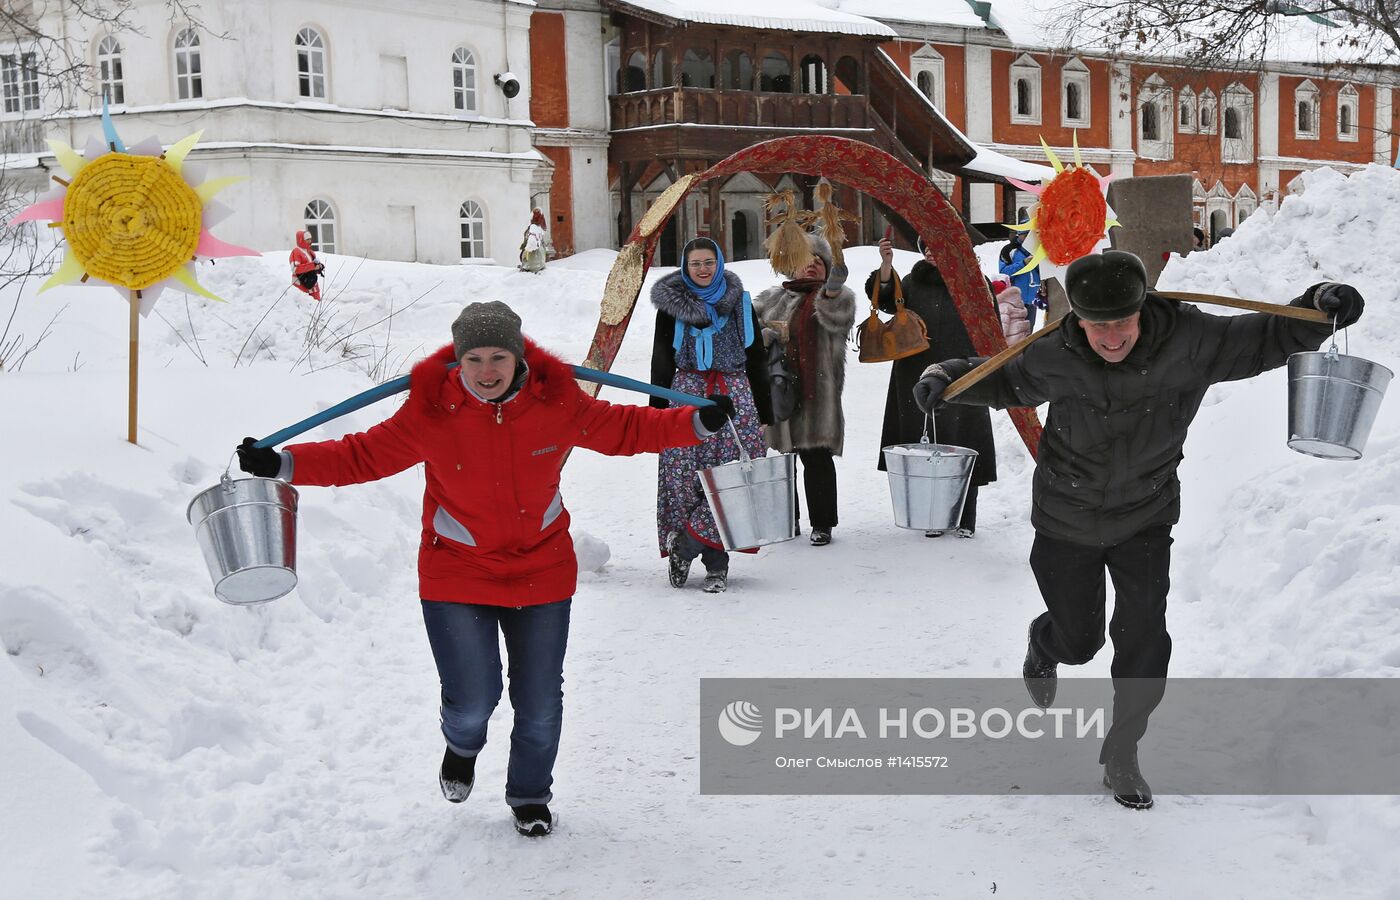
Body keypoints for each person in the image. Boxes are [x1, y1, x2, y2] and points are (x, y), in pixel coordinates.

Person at [235, 300, 736, 836]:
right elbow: (361, 455)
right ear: (457, 360)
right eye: (473, 359)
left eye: (499, 357)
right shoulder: (431, 411)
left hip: (540, 568)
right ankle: (462, 745)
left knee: (540, 700)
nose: (486, 371)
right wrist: (283, 463)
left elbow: (625, 429)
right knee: (474, 697)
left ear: (519, 358)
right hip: (458, 569)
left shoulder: (556, 402)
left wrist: (694, 422)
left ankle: (529, 795)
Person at [913, 250, 1364, 810]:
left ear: (1143, 309)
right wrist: (945, 376)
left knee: (1144, 639)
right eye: (1096, 325)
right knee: (1081, 642)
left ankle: (1123, 751)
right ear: (1076, 318)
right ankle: (1044, 641)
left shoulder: (1190, 340)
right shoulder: (1057, 352)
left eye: (1121, 322)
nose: (1110, 337)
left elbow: (1265, 335)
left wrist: (1319, 306)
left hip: (1145, 517)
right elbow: (1003, 380)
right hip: (1065, 520)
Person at [650, 237, 772, 593]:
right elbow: (661, 358)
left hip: (735, 396)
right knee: (684, 477)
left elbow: (757, 356)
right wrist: (657, 412)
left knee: (733, 479)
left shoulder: (740, 304)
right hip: (685, 396)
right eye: (695, 264)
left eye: (708, 262)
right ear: (685, 269)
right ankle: (699, 550)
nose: (702, 269)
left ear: (719, 264)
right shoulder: (671, 308)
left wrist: (764, 410)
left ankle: (697, 552)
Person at [865, 235, 998, 538]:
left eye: (938, 246)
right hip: (916, 374)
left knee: (964, 442)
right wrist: (886, 267)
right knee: (926, 445)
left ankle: (966, 518)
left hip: (964, 371)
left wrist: (984, 366)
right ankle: (935, 514)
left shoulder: (974, 282)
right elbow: (885, 302)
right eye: (927, 248)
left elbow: (991, 326)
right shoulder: (913, 282)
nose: (931, 253)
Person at [752, 232, 856, 546]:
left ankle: (822, 523)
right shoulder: (771, 298)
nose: (811, 267)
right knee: (783, 460)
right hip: (779, 389)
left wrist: (834, 284)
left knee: (816, 458)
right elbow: (746, 332)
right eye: (804, 261)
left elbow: (837, 318)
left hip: (817, 393)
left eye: (818, 262)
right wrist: (765, 336)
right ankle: (787, 520)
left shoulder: (836, 296)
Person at [999, 212, 1044, 329]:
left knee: (1029, 334)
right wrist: (1023, 263)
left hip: (1032, 301)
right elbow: (1003, 273)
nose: (1029, 238)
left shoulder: (1038, 249)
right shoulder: (1009, 250)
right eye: (1026, 235)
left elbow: (1045, 272)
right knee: (1015, 334)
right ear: (1019, 235)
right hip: (1014, 301)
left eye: (1032, 235)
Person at [289, 230, 325, 300]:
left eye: (310, 239)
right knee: (304, 309)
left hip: (313, 285)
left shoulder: (310, 252)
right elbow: (295, 269)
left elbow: (312, 268)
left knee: (317, 308)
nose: (310, 241)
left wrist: (319, 268)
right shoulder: (296, 252)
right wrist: (313, 266)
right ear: (301, 240)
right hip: (300, 286)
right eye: (307, 239)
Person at [519, 208, 551, 274]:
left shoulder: (533, 227)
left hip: (532, 264)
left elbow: (531, 244)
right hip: (540, 262)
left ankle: (530, 266)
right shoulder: (540, 228)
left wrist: (525, 251)